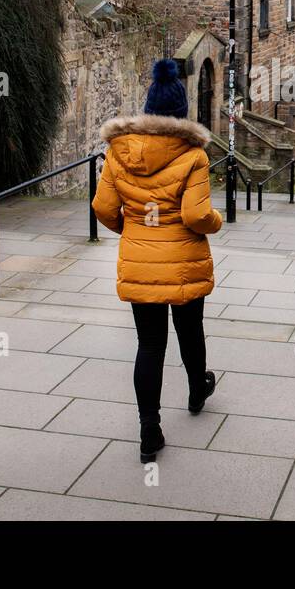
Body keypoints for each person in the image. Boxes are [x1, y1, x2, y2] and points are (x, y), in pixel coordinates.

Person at [91, 58, 223, 462]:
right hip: (183, 258)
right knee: (190, 329)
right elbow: (196, 216)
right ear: (181, 114)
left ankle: (150, 429)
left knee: (149, 344)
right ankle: (197, 390)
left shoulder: (119, 152)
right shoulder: (193, 156)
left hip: (140, 260)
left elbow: (102, 207)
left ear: (148, 110)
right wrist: (215, 222)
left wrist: (133, 230)